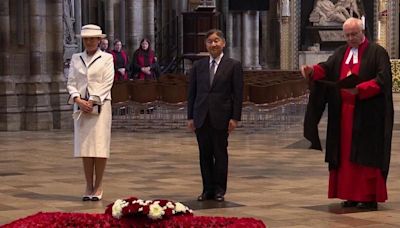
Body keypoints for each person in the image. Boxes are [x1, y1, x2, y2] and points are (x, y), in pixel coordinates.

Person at [301, 18, 393, 210]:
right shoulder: (341, 52)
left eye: (354, 34)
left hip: (368, 116)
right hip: (343, 115)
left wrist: (360, 89)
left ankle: (368, 197)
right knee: (344, 156)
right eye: (347, 35)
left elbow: (383, 80)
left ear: (363, 32)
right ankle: (350, 195)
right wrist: (312, 71)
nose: (351, 38)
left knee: (365, 156)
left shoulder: (378, 52)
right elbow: (326, 69)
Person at [187, 29, 243, 202]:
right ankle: (207, 190)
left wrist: (235, 117)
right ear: (206, 45)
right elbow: (192, 93)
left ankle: (219, 190)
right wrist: (190, 117)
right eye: (210, 41)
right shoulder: (199, 66)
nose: (213, 44)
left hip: (222, 117)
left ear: (223, 43)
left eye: (216, 41)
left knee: (220, 154)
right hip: (201, 116)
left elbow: (238, 93)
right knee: (204, 155)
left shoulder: (233, 65)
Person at [67, 24, 114, 201]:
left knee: (99, 147)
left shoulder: (107, 58)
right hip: (80, 108)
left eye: (93, 38)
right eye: (86, 39)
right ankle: (88, 185)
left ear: (99, 40)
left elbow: (107, 82)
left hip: (100, 107)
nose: (89, 41)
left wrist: (92, 101)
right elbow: (71, 82)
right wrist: (78, 100)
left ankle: (99, 185)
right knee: (85, 148)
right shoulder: (76, 58)